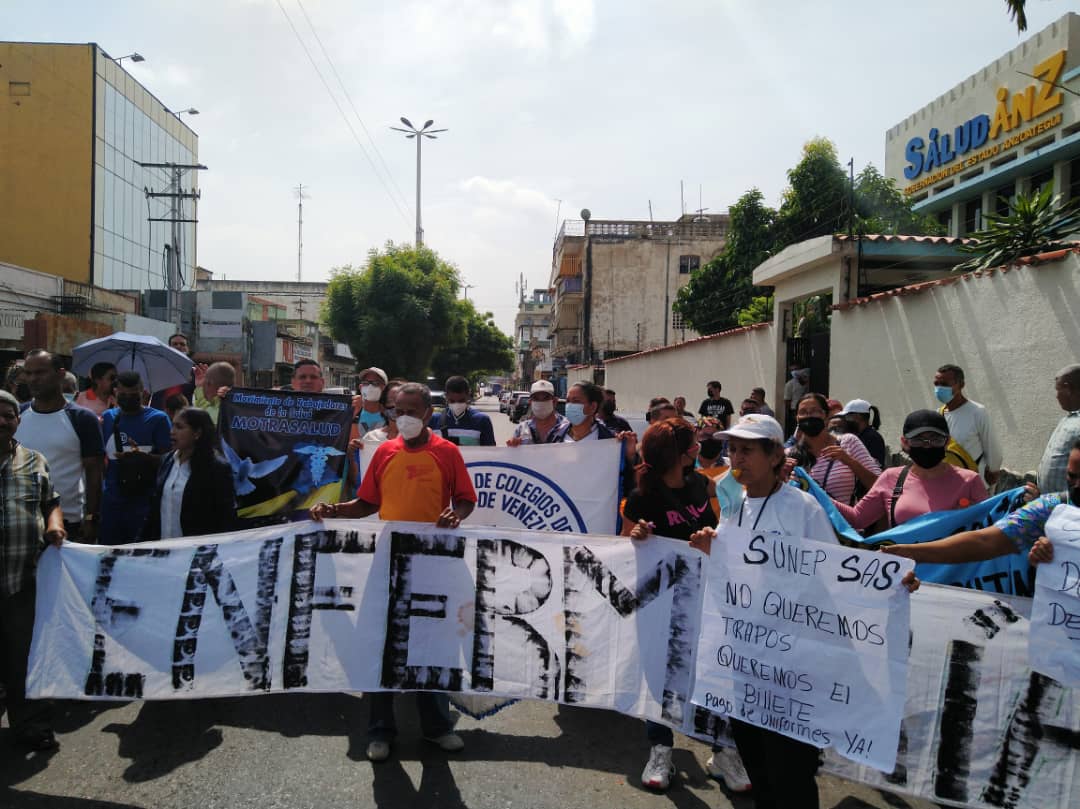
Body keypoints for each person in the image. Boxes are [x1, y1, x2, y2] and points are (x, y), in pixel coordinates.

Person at [694, 412, 918, 809]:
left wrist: (887, 586)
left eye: (747, 450)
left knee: (791, 776)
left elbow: (836, 577)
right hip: (748, 664)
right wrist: (712, 548)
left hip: (792, 672)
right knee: (757, 767)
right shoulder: (733, 507)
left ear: (775, 455)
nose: (737, 458)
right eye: (732, 449)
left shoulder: (802, 509)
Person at [310, 382, 476, 762]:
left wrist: (457, 514)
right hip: (389, 563)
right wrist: (333, 510)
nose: (403, 417)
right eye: (396, 410)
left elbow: (466, 500)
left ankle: (437, 728)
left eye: (412, 411)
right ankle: (380, 731)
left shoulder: (447, 453)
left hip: (435, 564)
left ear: (428, 414)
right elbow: (367, 503)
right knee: (384, 646)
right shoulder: (384, 452)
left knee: (432, 646)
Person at [621, 418, 750, 793]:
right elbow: (623, 544)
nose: (699, 449)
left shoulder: (700, 484)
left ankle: (722, 751)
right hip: (662, 603)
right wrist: (638, 536)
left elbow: (727, 520)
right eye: (692, 445)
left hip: (707, 598)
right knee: (661, 678)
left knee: (713, 672)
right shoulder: (642, 494)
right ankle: (661, 750)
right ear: (674, 454)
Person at [885, 439, 1080, 566]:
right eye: (1072, 476)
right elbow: (984, 541)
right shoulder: (1050, 507)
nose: (1077, 485)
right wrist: (907, 551)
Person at [0, 389, 65, 751]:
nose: (2, 421)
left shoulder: (34, 460)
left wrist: (55, 524)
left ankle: (31, 726)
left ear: (17, 420)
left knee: (26, 656)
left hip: (23, 579)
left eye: (8, 415)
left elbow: (51, 501)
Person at [831, 410, 987, 531]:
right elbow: (857, 518)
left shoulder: (970, 481)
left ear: (947, 442)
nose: (927, 446)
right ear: (905, 442)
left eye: (935, 439)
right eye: (918, 440)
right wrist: (811, 492)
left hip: (952, 571)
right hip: (903, 570)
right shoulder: (891, 478)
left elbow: (988, 530)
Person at [16, 350, 105, 543]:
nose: (33, 379)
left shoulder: (83, 419)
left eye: (40, 372)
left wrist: (91, 517)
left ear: (61, 373)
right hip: (22, 522)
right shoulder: (17, 416)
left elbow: (95, 473)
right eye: (28, 373)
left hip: (68, 523)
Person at [142, 407, 236, 540]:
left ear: (197, 433)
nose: (172, 432)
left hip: (195, 552)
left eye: (179, 427)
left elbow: (226, 518)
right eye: (172, 425)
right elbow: (153, 513)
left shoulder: (217, 468)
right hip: (163, 551)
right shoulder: (167, 461)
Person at [100, 371, 172, 545]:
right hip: (113, 500)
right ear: (116, 392)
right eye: (123, 394)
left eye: (133, 395)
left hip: (144, 501)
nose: (127, 398)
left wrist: (143, 457)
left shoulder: (158, 419)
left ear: (143, 392)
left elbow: (169, 460)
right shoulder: (109, 417)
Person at [789, 393, 881, 505]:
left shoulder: (848, 443)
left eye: (815, 411)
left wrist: (850, 462)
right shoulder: (789, 454)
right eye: (803, 412)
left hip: (839, 520)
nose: (809, 416)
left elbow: (879, 485)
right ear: (797, 418)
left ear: (826, 416)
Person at [933, 364, 1001, 486]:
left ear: (961, 385)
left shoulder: (977, 412)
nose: (939, 388)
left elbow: (991, 446)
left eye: (944, 384)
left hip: (973, 483)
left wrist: (993, 472)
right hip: (946, 484)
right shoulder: (938, 414)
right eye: (936, 384)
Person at [1038, 364, 1080, 494]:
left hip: (1068, 508)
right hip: (1050, 504)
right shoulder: (1068, 419)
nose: (1056, 396)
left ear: (1068, 389)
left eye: (1058, 390)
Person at [430, 375, 495, 446]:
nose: (457, 404)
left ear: (468, 396)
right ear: (446, 396)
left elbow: (490, 452)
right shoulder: (434, 420)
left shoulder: (482, 420)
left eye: (461, 401)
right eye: (452, 401)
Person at [508, 380, 569, 445]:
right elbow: (513, 453)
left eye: (546, 398)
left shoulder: (567, 427)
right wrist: (513, 446)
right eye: (536, 398)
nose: (541, 403)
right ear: (530, 402)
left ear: (554, 401)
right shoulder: (521, 429)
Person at [149, 333, 197, 412]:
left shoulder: (195, 373)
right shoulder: (157, 370)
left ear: (188, 349)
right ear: (168, 348)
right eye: (175, 344)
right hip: (159, 413)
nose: (178, 346)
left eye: (182, 344)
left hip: (184, 415)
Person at [839, 398, 887, 469]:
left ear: (857, 417)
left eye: (847, 417)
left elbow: (875, 467)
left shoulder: (873, 438)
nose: (844, 420)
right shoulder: (856, 436)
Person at [192, 361, 235, 425]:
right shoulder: (234, 407)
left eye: (205, 382)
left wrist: (200, 388)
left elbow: (203, 417)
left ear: (209, 384)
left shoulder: (219, 412)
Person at [783, 365, 809, 431]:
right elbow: (787, 400)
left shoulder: (808, 382)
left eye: (796, 369)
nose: (795, 372)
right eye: (792, 370)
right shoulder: (789, 384)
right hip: (795, 409)